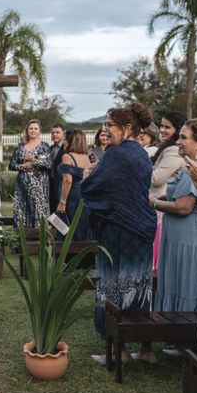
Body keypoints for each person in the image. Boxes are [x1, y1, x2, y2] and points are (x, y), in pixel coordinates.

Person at [81, 103, 156, 365]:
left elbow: (92, 187)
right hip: (141, 230)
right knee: (139, 287)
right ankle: (146, 349)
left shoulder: (116, 155)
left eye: (109, 125)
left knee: (113, 288)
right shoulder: (141, 153)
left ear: (127, 128)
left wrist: (86, 175)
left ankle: (120, 352)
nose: (105, 129)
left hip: (119, 231)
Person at [146, 119, 197, 358]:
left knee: (186, 285)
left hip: (189, 237)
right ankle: (178, 339)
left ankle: (187, 339)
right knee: (176, 282)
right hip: (177, 235)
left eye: (184, 137)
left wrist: (154, 202)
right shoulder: (188, 166)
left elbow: (183, 207)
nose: (178, 141)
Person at [150, 112, 186, 272]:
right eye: (161, 126)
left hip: (162, 206)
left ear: (177, 130)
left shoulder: (173, 151)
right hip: (157, 205)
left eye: (167, 127)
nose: (162, 130)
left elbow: (156, 178)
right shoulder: (167, 148)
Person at [8, 119, 52, 227]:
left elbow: (48, 164)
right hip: (22, 186)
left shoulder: (44, 146)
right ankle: (22, 239)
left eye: (35, 128)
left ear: (39, 131)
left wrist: (34, 161)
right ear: (27, 130)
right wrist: (23, 166)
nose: (33, 131)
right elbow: (11, 165)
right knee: (21, 211)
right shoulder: (20, 146)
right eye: (31, 128)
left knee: (38, 211)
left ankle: (39, 240)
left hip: (39, 187)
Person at [56, 129, 92, 240]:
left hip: (71, 197)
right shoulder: (87, 158)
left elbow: (68, 180)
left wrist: (62, 202)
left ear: (72, 141)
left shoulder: (67, 157)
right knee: (81, 226)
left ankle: (67, 255)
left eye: (66, 140)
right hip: (84, 197)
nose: (64, 142)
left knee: (65, 226)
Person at [49, 123, 65, 211]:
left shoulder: (67, 148)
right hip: (51, 183)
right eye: (53, 133)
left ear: (63, 133)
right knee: (52, 211)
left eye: (58, 132)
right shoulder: (49, 149)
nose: (55, 134)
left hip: (62, 183)